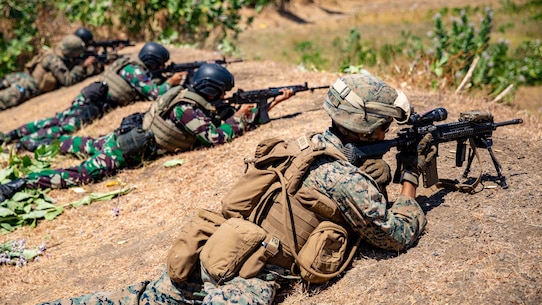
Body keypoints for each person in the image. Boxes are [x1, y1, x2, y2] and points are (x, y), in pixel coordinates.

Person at [35, 73, 433, 304]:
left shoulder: (303, 144)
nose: (388, 133)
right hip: (249, 279)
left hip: (212, 250)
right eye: (386, 126)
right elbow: (395, 236)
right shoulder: (345, 180)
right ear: (369, 127)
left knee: (137, 298)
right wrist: (410, 179)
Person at [0, 63, 293, 199]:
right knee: (80, 174)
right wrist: (244, 117)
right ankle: (20, 183)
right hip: (122, 148)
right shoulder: (186, 109)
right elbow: (218, 136)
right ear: (211, 89)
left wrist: (267, 106)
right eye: (220, 93)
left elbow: (218, 117)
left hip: (122, 134)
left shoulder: (183, 95)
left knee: (80, 143)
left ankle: (29, 144)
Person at [0, 41, 186, 150]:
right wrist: (170, 83)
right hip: (94, 102)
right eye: (160, 64)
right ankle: (21, 143)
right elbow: (154, 93)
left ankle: (11, 135)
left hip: (92, 95)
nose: (161, 68)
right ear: (152, 61)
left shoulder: (129, 63)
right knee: (64, 126)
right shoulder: (133, 70)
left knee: (57, 120)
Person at [0, 34, 96, 111]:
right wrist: (81, 66)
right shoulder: (54, 61)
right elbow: (67, 80)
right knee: (4, 99)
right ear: (72, 52)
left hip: (26, 77)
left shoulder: (58, 52)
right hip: (29, 86)